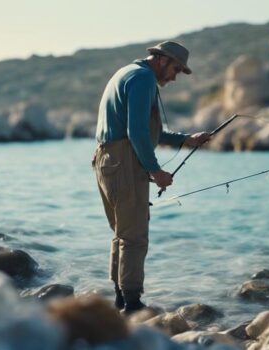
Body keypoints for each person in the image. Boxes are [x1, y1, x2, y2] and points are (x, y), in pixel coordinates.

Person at [92, 41, 210, 314]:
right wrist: (155, 171)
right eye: (176, 69)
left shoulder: (129, 73)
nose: (175, 76)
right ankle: (133, 306)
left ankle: (121, 300)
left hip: (107, 160)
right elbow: (137, 133)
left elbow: (143, 130)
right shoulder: (143, 79)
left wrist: (186, 139)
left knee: (123, 233)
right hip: (124, 161)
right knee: (134, 237)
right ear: (162, 60)